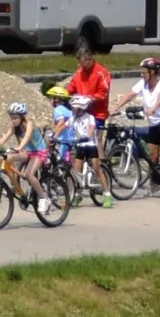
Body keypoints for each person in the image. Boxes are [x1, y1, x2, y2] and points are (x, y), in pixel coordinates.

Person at [62, 48, 114, 209]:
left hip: (96, 113)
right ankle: (76, 194)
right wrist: (62, 95)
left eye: (83, 62)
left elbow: (103, 93)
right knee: (76, 169)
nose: (81, 66)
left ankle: (106, 191)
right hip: (80, 112)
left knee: (96, 143)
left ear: (90, 60)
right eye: (79, 63)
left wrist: (87, 99)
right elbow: (70, 88)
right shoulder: (79, 72)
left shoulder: (101, 73)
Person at [0, 98, 44, 201]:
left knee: (29, 175)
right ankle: (15, 186)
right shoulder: (14, 126)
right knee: (7, 159)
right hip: (26, 152)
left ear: (21, 116)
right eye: (12, 118)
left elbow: (27, 137)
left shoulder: (29, 123)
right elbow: (3, 138)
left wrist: (19, 147)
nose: (13, 120)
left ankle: (43, 197)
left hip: (39, 152)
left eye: (15, 118)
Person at [134, 54, 160, 169]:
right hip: (153, 125)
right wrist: (116, 107)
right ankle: (154, 183)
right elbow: (129, 95)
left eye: (144, 72)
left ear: (152, 72)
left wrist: (152, 109)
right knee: (153, 156)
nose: (142, 74)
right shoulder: (142, 83)